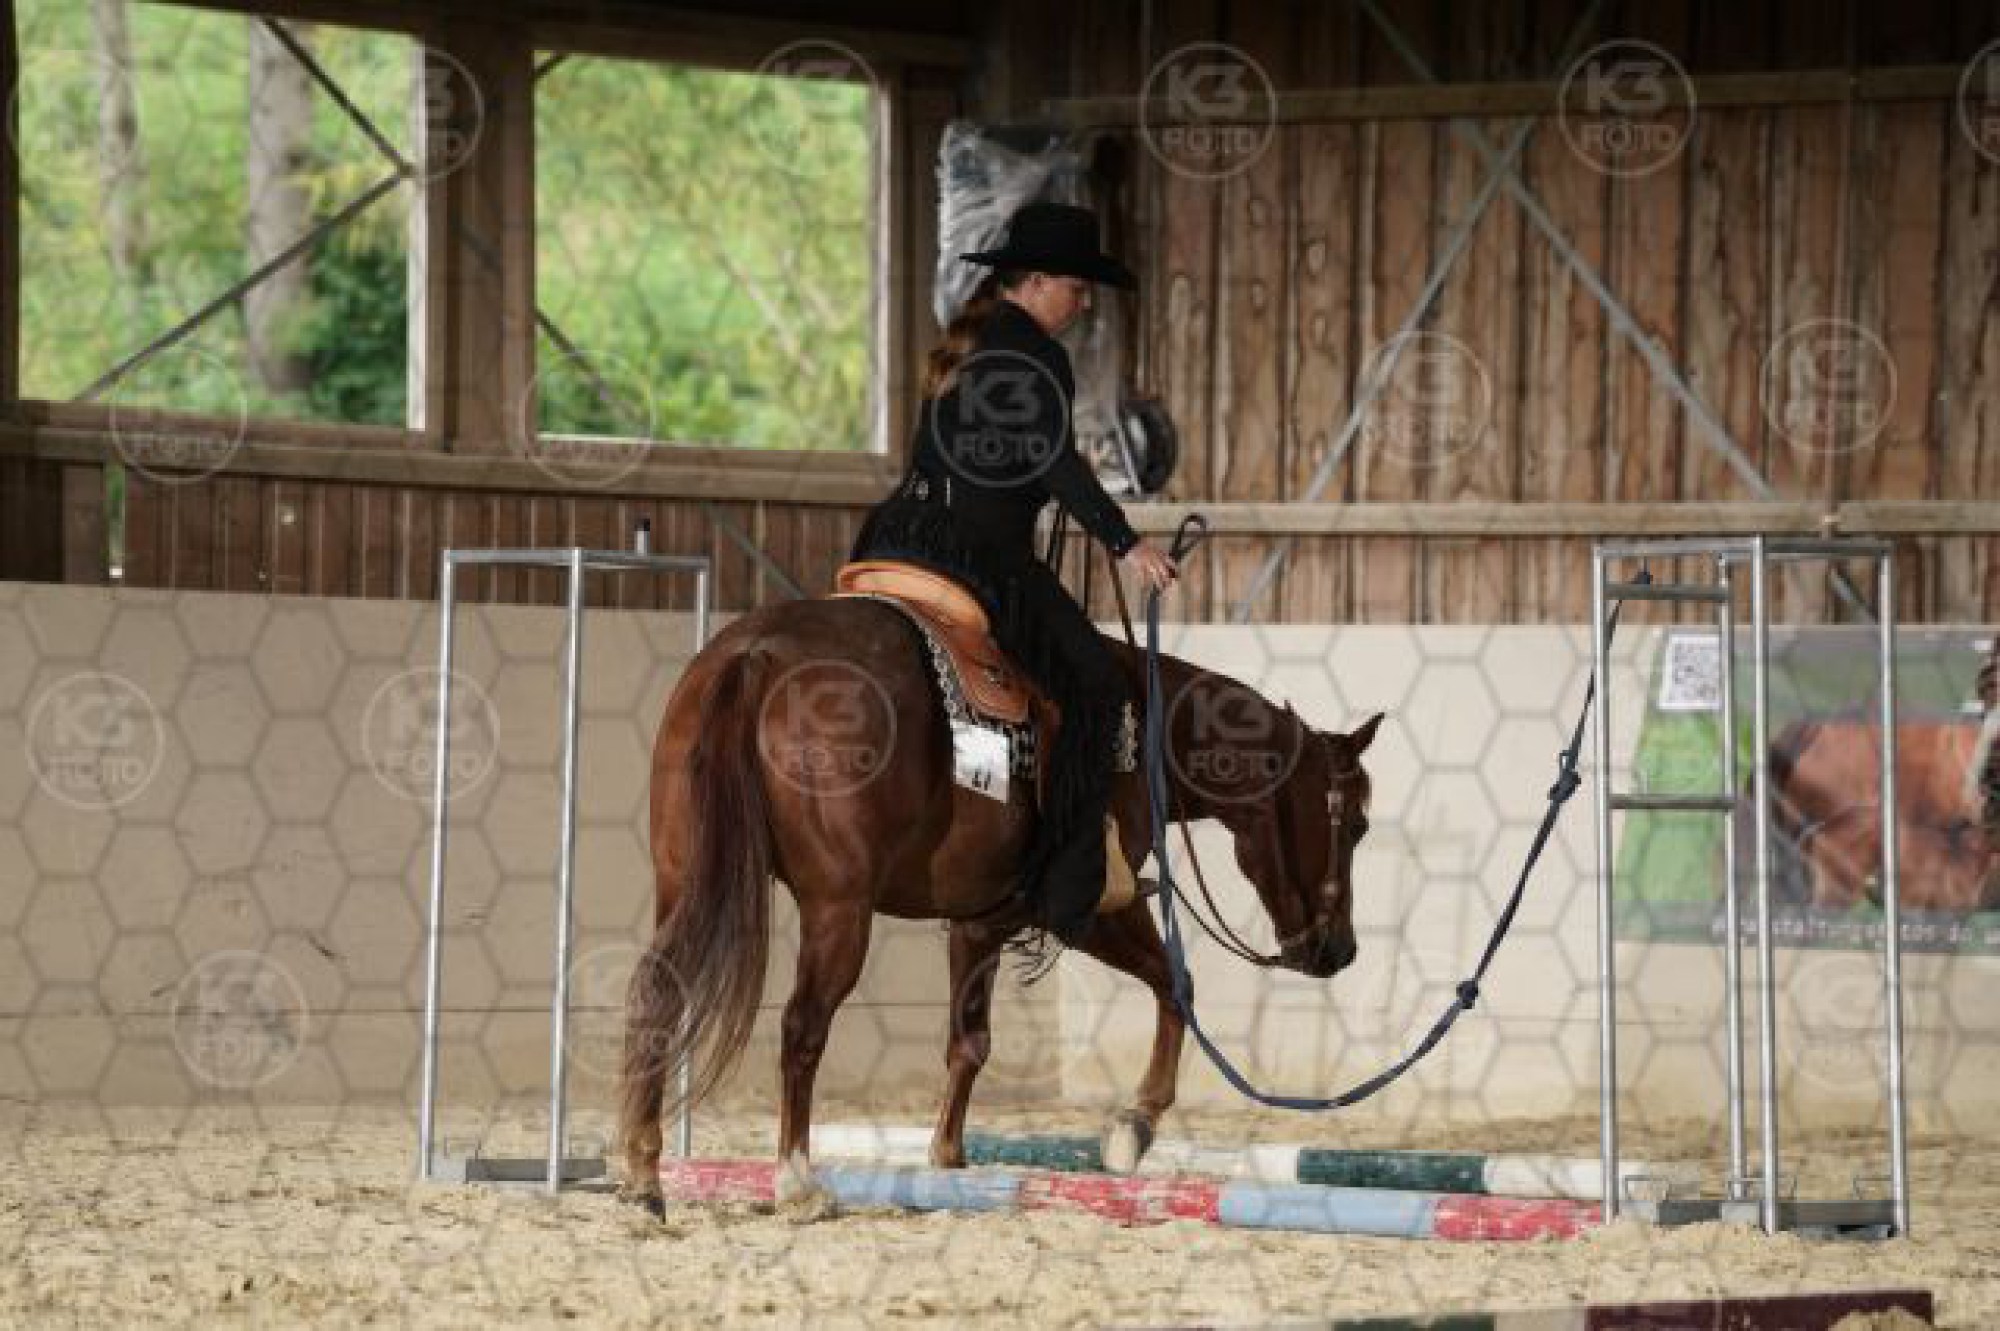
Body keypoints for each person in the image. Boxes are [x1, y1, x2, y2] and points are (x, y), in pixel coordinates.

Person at [850, 201, 1178, 944]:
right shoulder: (1035, 355)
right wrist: (1124, 542)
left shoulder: (968, 342)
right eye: (1076, 287)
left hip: (897, 536)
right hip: (976, 554)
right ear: (1034, 283)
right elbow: (1049, 460)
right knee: (1095, 685)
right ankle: (1065, 889)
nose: (1084, 303)